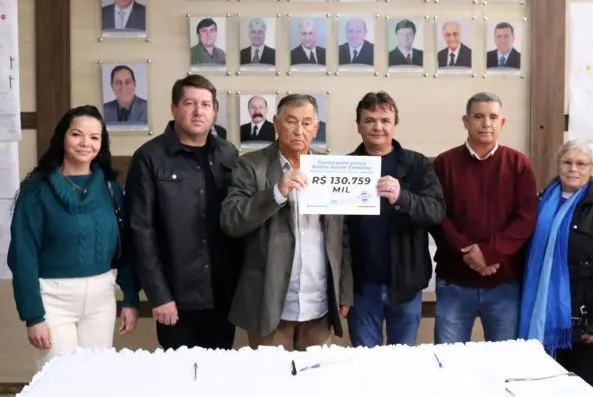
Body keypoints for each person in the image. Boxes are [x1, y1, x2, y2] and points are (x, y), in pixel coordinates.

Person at [8, 105, 139, 370]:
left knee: (96, 378)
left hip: (101, 298)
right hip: (52, 299)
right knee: (59, 380)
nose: (85, 143)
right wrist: (33, 316)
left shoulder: (111, 187)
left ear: (101, 144)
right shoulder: (36, 190)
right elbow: (23, 255)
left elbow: (127, 246)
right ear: (63, 137)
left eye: (94, 137)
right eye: (77, 134)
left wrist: (130, 298)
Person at [220, 94, 352, 351]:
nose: (299, 130)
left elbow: (342, 238)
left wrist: (344, 292)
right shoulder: (251, 166)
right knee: (270, 376)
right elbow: (231, 221)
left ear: (316, 128)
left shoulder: (329, 169)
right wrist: (276, 193)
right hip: (268, 304)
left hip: (319, 304)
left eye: (306, 123)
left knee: (316, 375)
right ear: (276, 124)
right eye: (291, 121)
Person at [124, 74, 242, 350]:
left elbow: (238, 219)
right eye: (189, 103)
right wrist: (159, 295)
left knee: (220, 371)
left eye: (205, 104)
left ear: (214, 112)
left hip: (223, 294)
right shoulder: (149, 157)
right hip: (176, 297)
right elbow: (140, 232)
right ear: (174, 108)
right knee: (179, 373)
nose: (198, 111)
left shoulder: (228, 154)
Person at [518, 140, 593, 388]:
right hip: (538, 307)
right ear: (558, 164)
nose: (573, 169)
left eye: (581, 164)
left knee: (578, 379)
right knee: (542, 377)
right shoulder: (540, 202)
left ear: (591, 168)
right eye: (567, 162)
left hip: (583, 315)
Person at [432, 92, 537, 344]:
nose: (486, 123)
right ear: (465, 121)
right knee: (448, 360)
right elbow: (436, 216)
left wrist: (489, 254)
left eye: (493, 117)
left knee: (502, 362)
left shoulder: (518, 164)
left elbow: (526, 219)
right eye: (479, 116)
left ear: (503, 122)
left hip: (504, 285)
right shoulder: (444, 163)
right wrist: (469, 253)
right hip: (454, 282)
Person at [345, 91, 445, 347]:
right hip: (361, 285)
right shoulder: (344, 166)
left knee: (403, 361)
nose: (377, 127)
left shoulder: (418, 165)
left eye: (385, 120)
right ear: (358, 126)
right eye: (369, 120)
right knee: (365, 360)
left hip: (406, 282)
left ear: (395, 124)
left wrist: (403, 198)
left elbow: (436, 211)